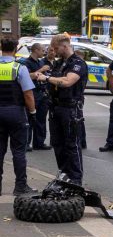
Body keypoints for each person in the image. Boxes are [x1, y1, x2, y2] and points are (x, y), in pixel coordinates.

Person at [38, 34, 88, 184]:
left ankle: (76, 179)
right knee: (57, 143)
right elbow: (54, 81)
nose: (54, 51)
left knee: (72, 144)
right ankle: (64, 174)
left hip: (71, 109)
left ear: (65, 46)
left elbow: (67, 82)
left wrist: (47, 78)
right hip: (56, 108)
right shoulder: (59, 63)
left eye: (56, 48)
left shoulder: (77, 63)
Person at [0, 37, 37, 196]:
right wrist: (33, 112)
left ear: (1, 48)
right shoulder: (19, 68)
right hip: (16, 113)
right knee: (19, 152)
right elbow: (28, 94)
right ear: (15, 49)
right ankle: (20, 186)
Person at [22, 42, 51, 151]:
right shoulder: (26, 63)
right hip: (32, 93)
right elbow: (27, 76)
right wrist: (42, 70)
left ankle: (39, 142)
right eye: (42, 50)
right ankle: (26, 143)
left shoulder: (40, 62)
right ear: (36, 50)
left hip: (42, 93)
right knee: (29, 119)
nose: (44, 52)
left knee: (41, 119)